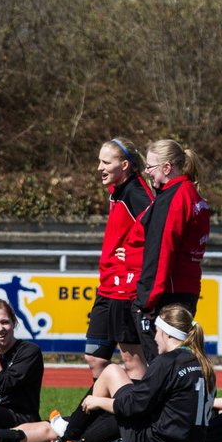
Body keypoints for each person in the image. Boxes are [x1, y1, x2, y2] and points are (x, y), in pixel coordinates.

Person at [43, 304, 215, 442]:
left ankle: (69, 436)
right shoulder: (204, 363)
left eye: (157, 331)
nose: (154, 338)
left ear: (167, 333)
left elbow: (133, 407)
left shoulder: (166, 362)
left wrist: (99, 402)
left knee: (112, 372)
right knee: (131, 401)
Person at [85, 137, 155, 380]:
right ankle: (107, 411)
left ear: (124, 165)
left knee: (131, 359)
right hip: (107, 286)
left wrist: (138, 253)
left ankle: (135, 414)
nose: (99, 168)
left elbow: (160, 228)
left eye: (106, 162)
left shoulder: (136, 192)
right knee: (94, 357)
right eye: (99, 161)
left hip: (125, 289)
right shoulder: (118, 190)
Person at [136, 138, 210, 359]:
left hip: (168, 292)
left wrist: (147, 299)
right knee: (180, 360)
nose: (147, 172)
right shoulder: (192, 194)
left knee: (164, 364)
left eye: (150, 167)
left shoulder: (175, 198)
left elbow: (162, 251)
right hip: (186, 287)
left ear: (167, 167)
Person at [0, 299, 50, 442]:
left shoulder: (28, 351)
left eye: (5, 322)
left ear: (14, 323)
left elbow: (2, 385)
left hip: (21, 419)